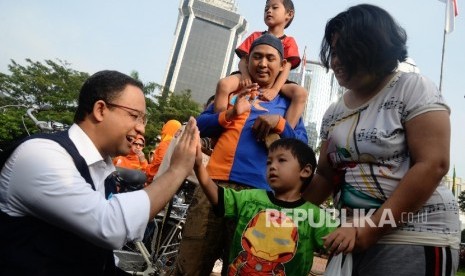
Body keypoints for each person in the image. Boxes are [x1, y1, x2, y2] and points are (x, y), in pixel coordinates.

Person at [303, 4, 460, 275]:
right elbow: (325, 176)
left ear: (371, 47)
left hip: (415, 236)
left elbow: (433, 164)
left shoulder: (412, 88)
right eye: (333, 52)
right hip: (355, 236)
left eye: (344, 52)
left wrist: (372, 228)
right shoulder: (334, 112)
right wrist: (283, 209)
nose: (335, 61)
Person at [0, 70, 200, 275]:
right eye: (134, 116)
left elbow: (101, 260)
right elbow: (110, 226)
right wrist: (177, 170)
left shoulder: (103, 171)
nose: (141, 129)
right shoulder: (39, 155)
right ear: (100, 109)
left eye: (143, 120)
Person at [173, 33, 308, 275]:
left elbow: (302, 151)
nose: (263, 64)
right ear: (248, 61)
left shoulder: (287, 105)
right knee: (190, 265)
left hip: (260, 199)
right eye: (257, 57)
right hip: (213, 189)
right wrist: (231, 113)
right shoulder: (233, 90)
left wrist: (279, 123)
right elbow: (200, 126)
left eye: (270, 58)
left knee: (243, 269)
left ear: (280, 66)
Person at [193, 138, 334, 275]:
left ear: (305, 171)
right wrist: (199, 166)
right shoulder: (250, 198)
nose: (272, 166)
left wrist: (353, 226)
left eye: (282, 160)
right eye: (269, 162)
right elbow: (219, 196)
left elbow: (342, 237)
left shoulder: (314, 216)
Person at [214, 0, 307, 130]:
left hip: (277, 80)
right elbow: (243, 61)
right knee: (224, 84)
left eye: (274, 8)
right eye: (266, 9)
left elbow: (286, 68)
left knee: (301, 93)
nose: (269, 11)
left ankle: (285, 132)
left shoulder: (289, 41)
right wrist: (246, 75)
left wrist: (274, 89)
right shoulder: (256, 36)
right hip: (249, 74)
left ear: (289, 14)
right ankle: (218, 124)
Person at [146, 119, 182, 183]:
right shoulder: (175, 145)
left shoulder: (166, 143)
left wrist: (149, 171)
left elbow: (160, 161)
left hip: (153, 178)